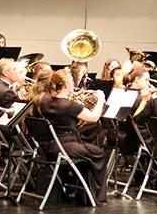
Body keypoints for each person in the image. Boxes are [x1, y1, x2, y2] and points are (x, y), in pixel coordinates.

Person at [39, 69, 109, 206]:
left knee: (88, 154)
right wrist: (100, 99)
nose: (73, 83)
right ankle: (96, 197)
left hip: (53, 145)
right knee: (98, 153)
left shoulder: (46, 102)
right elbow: (94, 118)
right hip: (66, 146)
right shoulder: (70, 106)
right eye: (71, 81)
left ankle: (83, 193)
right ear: (65, 85)